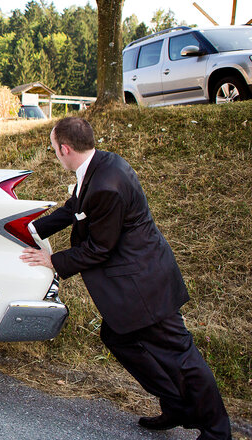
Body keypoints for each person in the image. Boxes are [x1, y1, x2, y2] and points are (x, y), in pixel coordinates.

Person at [20, 116, 230, 440]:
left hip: (144, 284)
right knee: (118, 338)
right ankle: (176, 405)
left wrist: (52, 260)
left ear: (64, 148)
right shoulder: (100, 165)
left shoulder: (106, 185)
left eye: (53, 150)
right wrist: (28, 229)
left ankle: (217, 431)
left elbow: (99, 248)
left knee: (182, 356)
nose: (55, 154)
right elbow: (75, 207)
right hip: (139, 278)